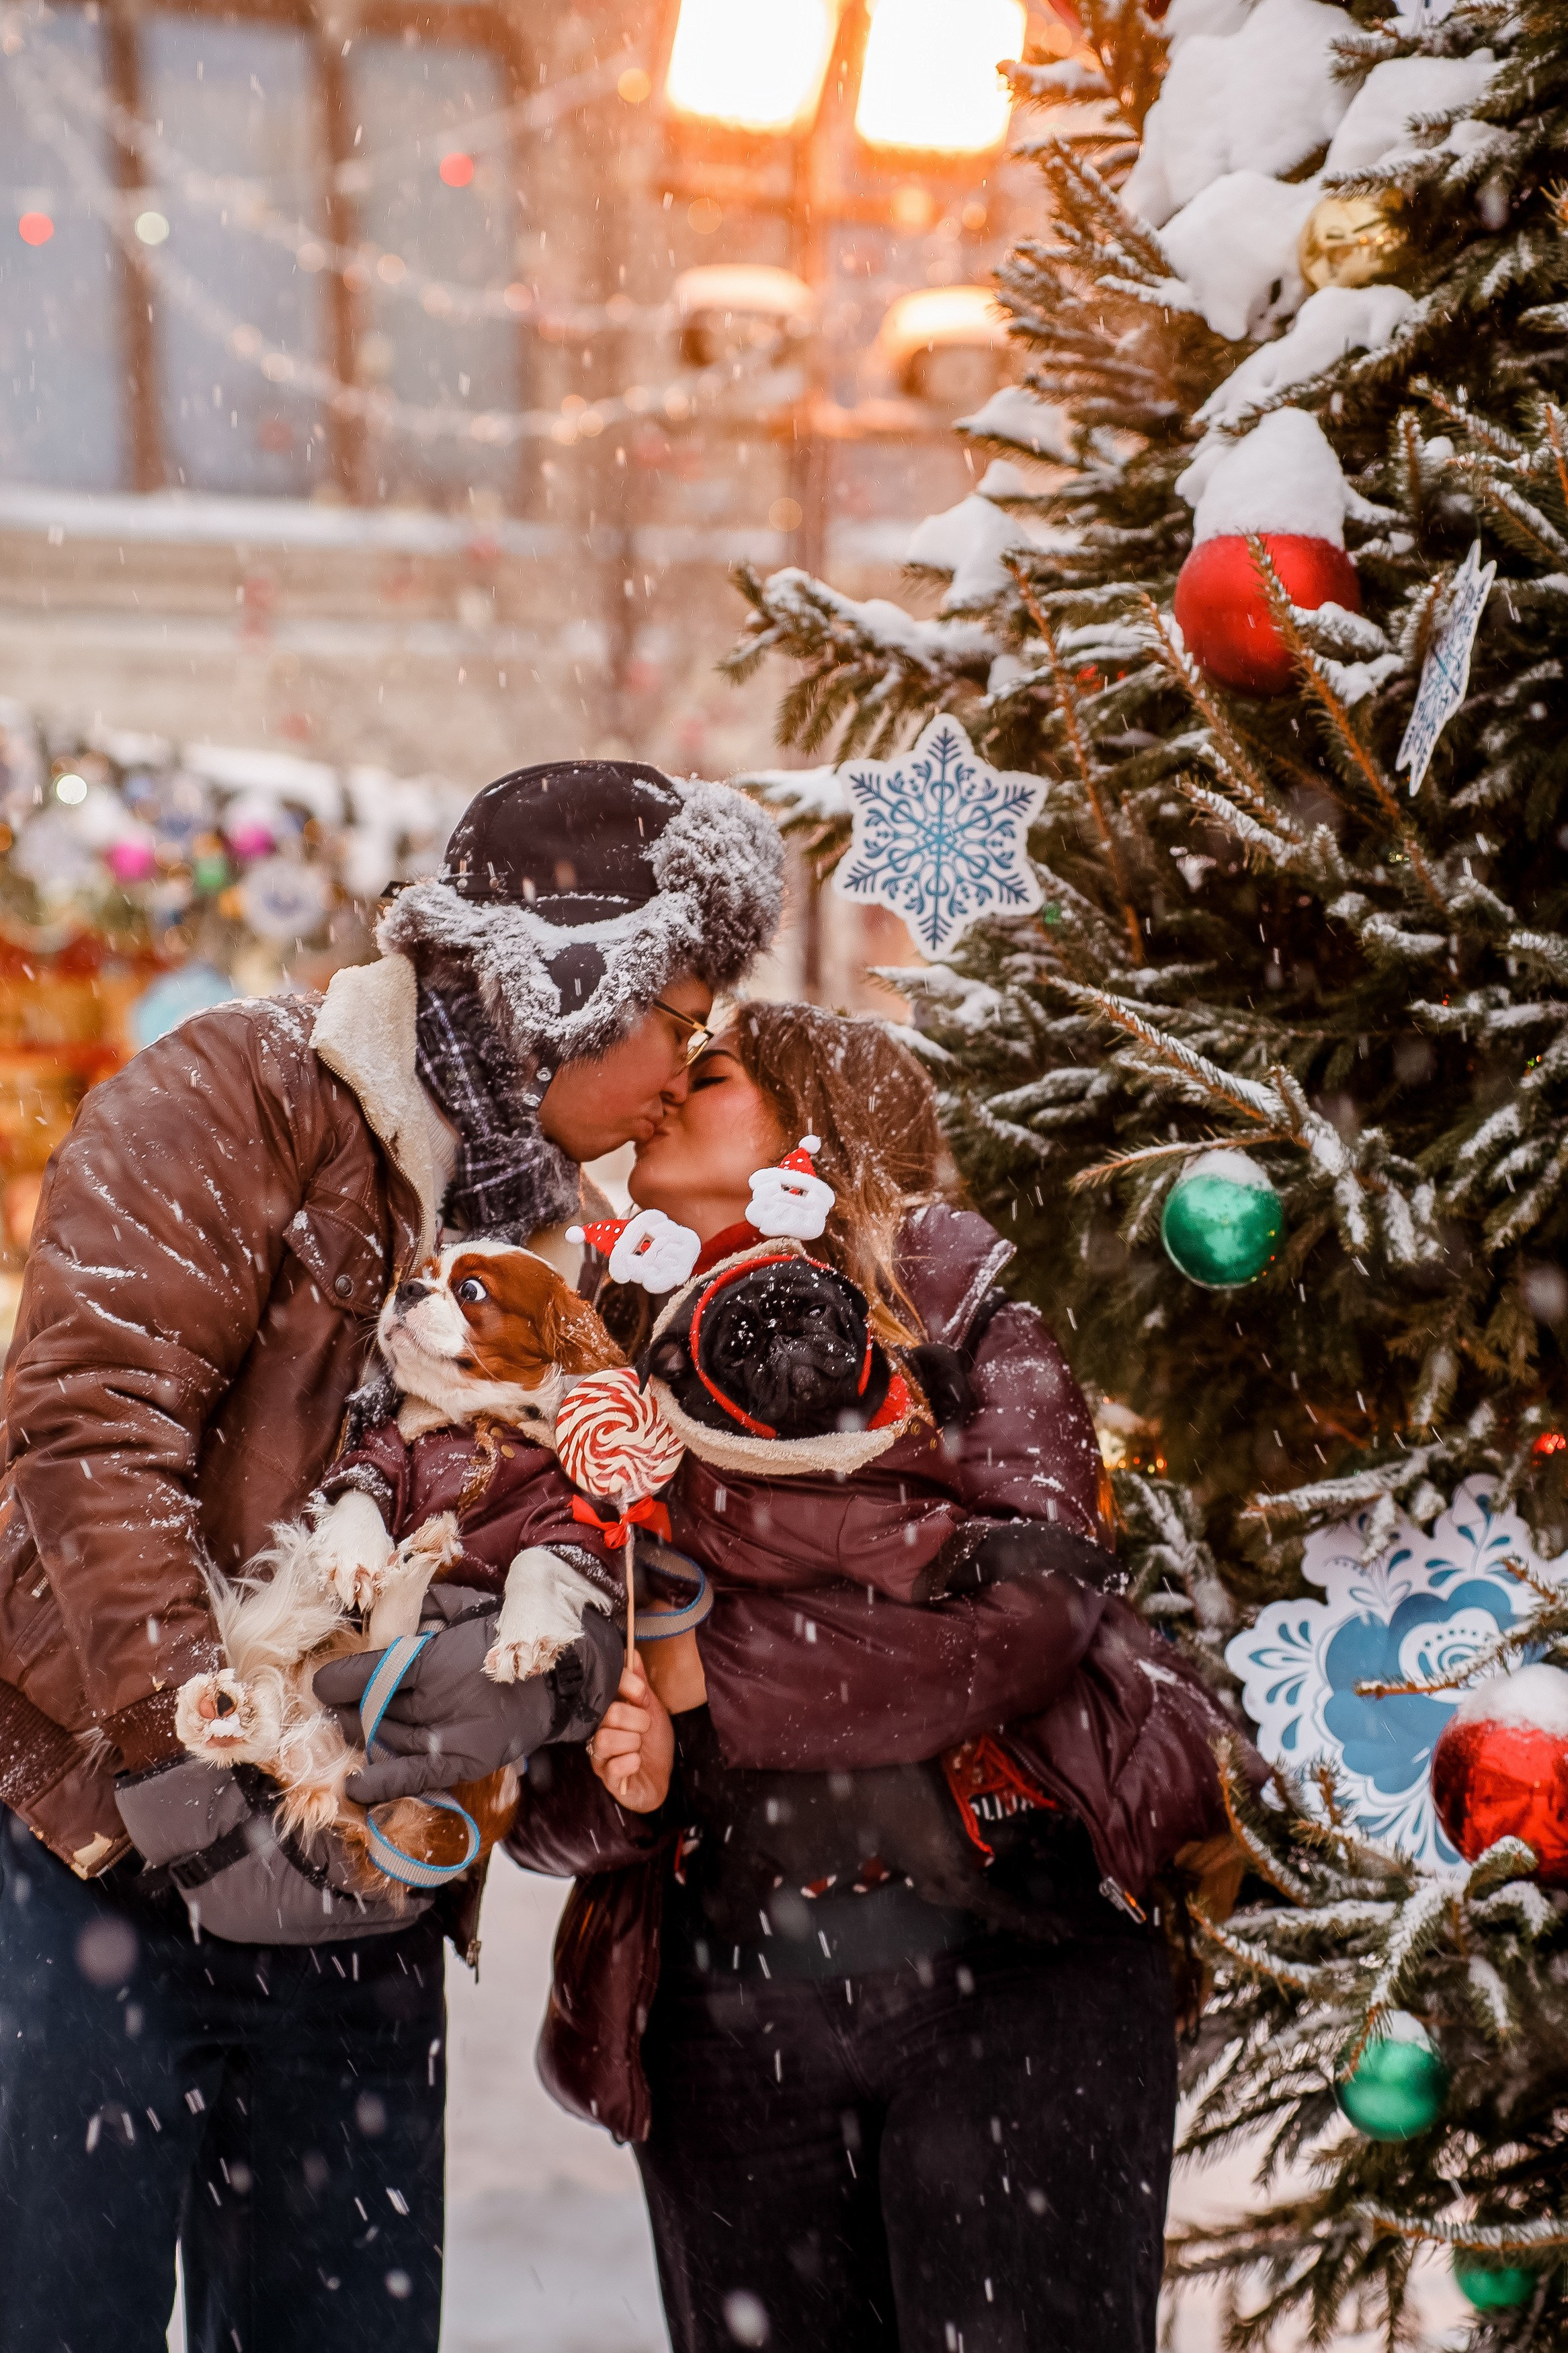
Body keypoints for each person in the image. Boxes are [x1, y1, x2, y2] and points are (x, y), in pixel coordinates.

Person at [0, 760, 782, 2353]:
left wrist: (558, 1688)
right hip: (92, 1846)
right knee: (57, 2313)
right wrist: (193, 1783)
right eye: (679, 1013)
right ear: (574, 981)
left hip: (349, 1892)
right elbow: (91, 1427)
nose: (687, 1067)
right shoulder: (235, 1091)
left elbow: (563, 1545)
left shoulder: (551, 1254)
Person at [511, 1002, 1241, 2353]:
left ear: (819, 1129)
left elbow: (1020, 1621)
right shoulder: (585, 1377)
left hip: (1015, 1983)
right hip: (726, 2033)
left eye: (710, 1072)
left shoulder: (963, 1320)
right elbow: (544, 1787)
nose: (660, 1093)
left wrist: (691, 1669)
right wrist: (633, 1775)